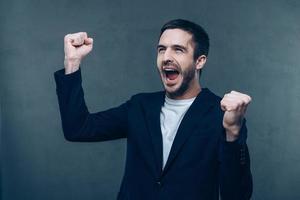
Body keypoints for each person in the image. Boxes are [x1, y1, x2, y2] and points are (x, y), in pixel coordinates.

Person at [54, 19, 253, 200]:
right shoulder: (139, 107)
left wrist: (233, 133)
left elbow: (237, 195)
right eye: (161, 49)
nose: (166, 57)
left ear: (199, 61)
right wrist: (72, 62)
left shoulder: (221, 114)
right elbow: (77, 128)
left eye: (178, 49)